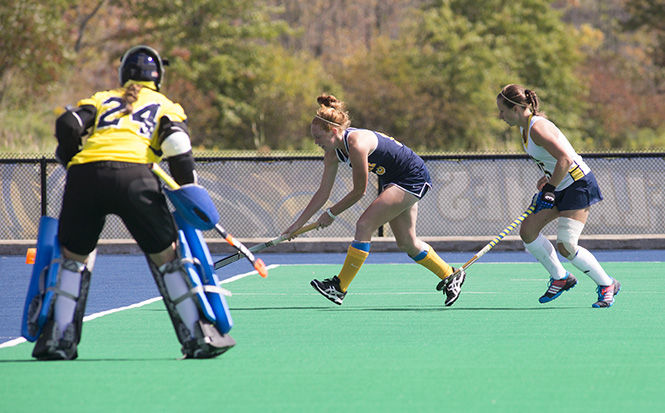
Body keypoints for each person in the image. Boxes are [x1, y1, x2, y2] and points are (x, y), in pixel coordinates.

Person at [32, 45, 234, 360]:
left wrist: (72, 160)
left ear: (123, 73)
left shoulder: (101, 99)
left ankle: (58, 339)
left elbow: (68, 124)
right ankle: (198, 336)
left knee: (74, 259)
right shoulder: (164, 104)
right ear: (159, 78)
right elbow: (178, 145)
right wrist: (188, 190)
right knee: (168, 260)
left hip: (86, 178)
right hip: (135, 179)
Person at [283, 94, 465, 306]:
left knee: (364, 225)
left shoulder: (357, 144)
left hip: (412, 177)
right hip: (394, 180)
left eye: (318, 137)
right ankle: (450, 275)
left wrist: (331, 214)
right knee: (407, 242)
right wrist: (297, 225)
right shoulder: (332, 153)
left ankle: (339, 287)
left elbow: (359, 191)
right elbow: (323, 192)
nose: (316, 142)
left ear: (333, 131)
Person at [496, 84, 620, 308]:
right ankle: (561, 277)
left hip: (577, 185)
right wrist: (548, 179)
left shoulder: (537, 128)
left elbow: (565, 159)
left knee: (566, 245)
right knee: (528, 231)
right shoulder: (526, 129)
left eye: (502, 111)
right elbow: (556, 159)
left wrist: (550, 189)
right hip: (559, 185)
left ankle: (607, 283)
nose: (500, 116)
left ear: (515, 108)